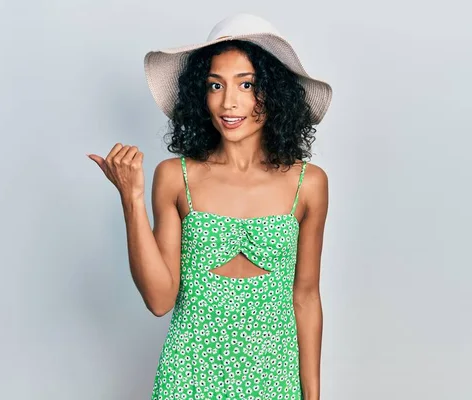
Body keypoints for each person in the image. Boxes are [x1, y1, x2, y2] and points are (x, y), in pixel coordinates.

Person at [88, 13, 332, 400]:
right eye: (214, 85)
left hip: (273, 377)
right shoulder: (175, 177)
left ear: (275, 91)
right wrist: (131, 199)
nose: (228, 101)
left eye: (246, 84)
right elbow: (159, 300)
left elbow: (306, 297)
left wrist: (313, 396)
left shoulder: (309, 184)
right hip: (189, 376)